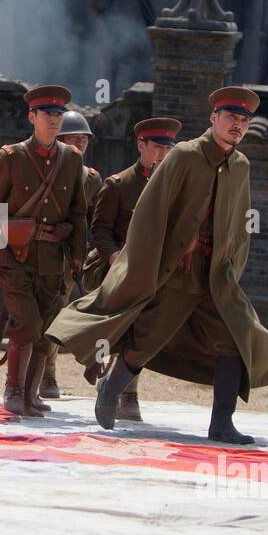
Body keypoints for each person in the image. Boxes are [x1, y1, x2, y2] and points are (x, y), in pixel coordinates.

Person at [48, 87, 268, 443]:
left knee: (235, 341)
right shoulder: (184, 156)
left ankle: (222, 423)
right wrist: (143, 266)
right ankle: (111, 388)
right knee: (148, 338)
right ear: (214, 119)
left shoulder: (240, 166)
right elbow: (150, 212)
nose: (237, 125)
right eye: (231, 117)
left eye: (243, 120)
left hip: (215, 276)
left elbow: (239, 227)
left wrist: (232, 269)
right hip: (176, 270)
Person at [0, 84, 87, 416]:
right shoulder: (11, 156)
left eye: (59, 115)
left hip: (52, 258)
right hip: (13, 255)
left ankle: (30, 395)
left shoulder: (71, 159)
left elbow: (77, 212)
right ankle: (13, 391)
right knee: (27, 322)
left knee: (46, 330)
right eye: (47, 114)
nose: (54, 121)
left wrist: (77, 254)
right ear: (32, 116)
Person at [80, 117, 181, 421]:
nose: (163, 153)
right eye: (157, 147)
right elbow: (100, 230)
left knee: (141, 333)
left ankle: (124, 391)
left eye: (168, 147)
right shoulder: (119, 184)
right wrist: (114, 259)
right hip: (118, 272)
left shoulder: (174, 186)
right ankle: (121, 389)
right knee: (122, 331)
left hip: (155, 273)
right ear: (141, 145)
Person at [38, 109, 103, 399]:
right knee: (32, 316)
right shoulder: (43, 168)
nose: (80, 144)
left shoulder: (91, 178)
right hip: (37, 251)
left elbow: (94, 222)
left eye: (84, 140)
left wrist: (89, 254)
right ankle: (27, 376)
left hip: (68, 259)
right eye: (73, 139)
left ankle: (47, 375)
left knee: (56, 315)